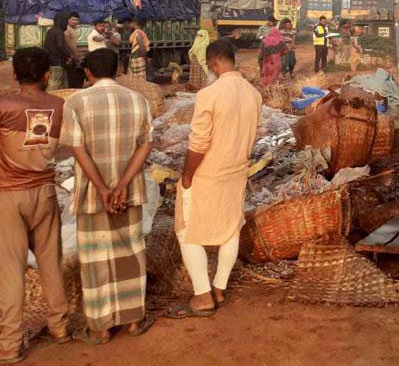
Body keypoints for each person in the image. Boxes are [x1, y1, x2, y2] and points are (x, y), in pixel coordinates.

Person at [61, 48, 153, 344]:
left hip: (93, 194)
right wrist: (122, 184)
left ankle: (100, 327)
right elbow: (145, 146)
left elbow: (78, 149)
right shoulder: (138, 100)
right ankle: (133, 321)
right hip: (128, 193)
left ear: (87, 73)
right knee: (130, 253)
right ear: (118, 71)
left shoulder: (75, 102)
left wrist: (102, 188)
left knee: (96, 258)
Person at [167, 40, 261, 319]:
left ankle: (202, 295)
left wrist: (187, 175)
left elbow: (198, 143)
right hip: (236, 171)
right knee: (230, 229)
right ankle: (219, 287)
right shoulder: (253, 94)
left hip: (208, 173)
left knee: (188, 231)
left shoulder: (209, 94)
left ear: (213, 63)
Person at [0, 48, 71, 363]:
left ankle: (11, 345)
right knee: (51, 265)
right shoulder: (59, 106)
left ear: (15, 74)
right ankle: (60, 328)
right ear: (47, 76)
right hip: (45, 193)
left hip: (8, 196)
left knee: (10, 273)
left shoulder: (4, 105)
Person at [43, 13, 73, 92]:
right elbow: (60, 46)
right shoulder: (59, 31)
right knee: (55, 85)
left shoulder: (50, 31)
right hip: (57, 62)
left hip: (51, 61)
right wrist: (69, 55)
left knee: (60, 84)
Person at [64, 13, 86, 89]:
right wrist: (74, 55)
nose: (75, 21)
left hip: (74, 57)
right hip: (71, 58)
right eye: (73, 19)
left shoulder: (73, 29)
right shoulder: (67, 29)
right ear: (68, 20)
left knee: (77, 79)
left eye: (77, 20)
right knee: (72, 80)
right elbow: (68, 44)